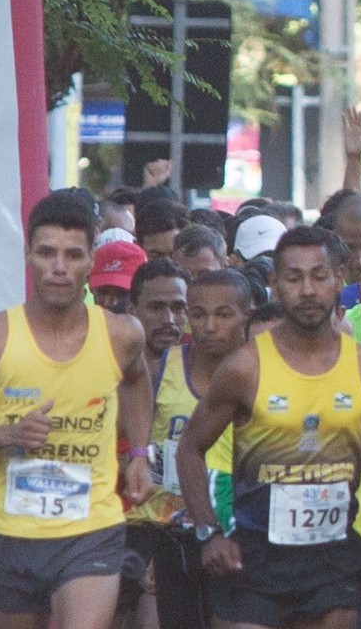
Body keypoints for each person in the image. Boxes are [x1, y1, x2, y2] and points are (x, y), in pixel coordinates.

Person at [0, 194, 154, 629]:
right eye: (46, 253)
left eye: (73, 255)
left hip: (91, 528)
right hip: (10, 533)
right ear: (28, 255)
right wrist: (10, 435)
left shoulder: (122, 335)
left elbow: (137, 380)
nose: (59, 267)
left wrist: (140, 453)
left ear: (91, 261)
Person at [177, 228, 361, 629]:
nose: (307, 290)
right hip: (258, 557)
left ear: (340, 278)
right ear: (274, 284)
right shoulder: (244, 368)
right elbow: (190, 449)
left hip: (334, 554)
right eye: (293, 277)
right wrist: (208, 532)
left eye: (319, 276)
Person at [134, 262, 240, 629]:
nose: (209, 326)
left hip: (238, 531)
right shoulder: (160, 369)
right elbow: (133, 448)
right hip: (168, 531)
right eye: (198, 314)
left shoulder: (259, 373)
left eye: (222, 314)